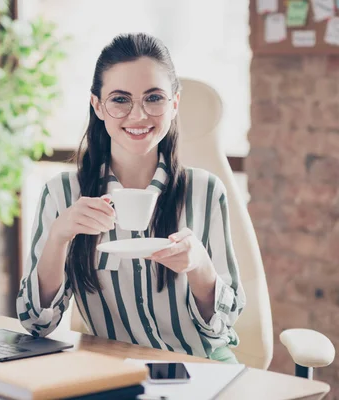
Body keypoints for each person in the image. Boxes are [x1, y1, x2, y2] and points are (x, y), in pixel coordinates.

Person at [17, 33, 246, 363]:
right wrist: (58, 237)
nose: (138, 116)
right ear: (97, 105)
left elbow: (222, 327)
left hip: (199, 365)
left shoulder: (206, 191)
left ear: (175, 103)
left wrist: (200, 266)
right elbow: (36, 323)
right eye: (120, 100)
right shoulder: (62, 194)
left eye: (153, 98)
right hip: (113, 371)